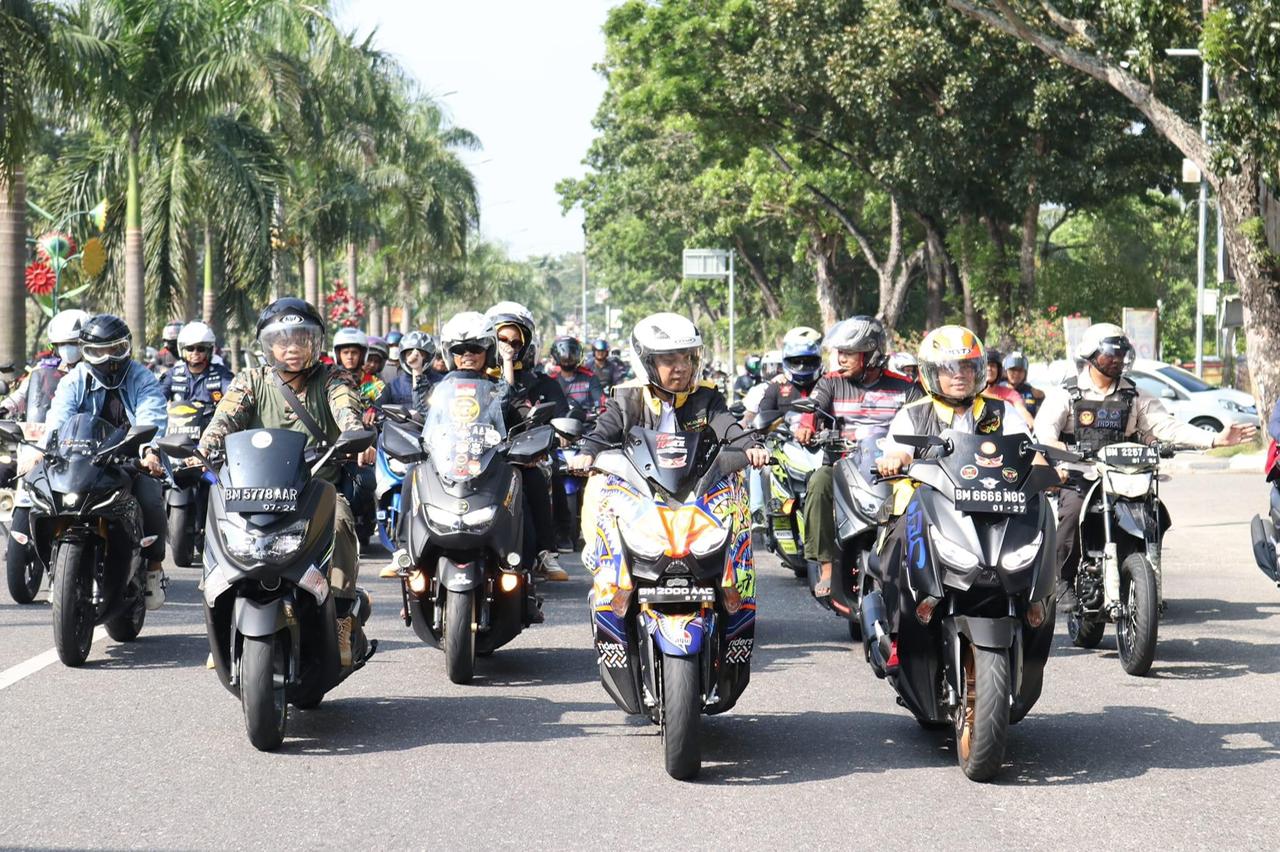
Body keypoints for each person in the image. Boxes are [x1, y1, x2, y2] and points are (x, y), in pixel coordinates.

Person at [198, 298, 374, 664]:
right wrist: (202, 448)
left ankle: (341, 617)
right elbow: (224, 418)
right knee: (216, 520)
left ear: (315, 342)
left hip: (314, 491)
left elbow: (346, 409)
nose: (292, 348)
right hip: (252, 493)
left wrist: (355, 434)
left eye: (300, 339)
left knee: (340, 521)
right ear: (268, 345)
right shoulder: (251, 380)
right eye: (283, 340)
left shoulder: (333, 378)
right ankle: (221, 618)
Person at [1033, 322, 1256, 609]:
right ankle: (1062, 581)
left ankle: (1147, 579)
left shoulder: (1134, 395)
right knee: (1073, 511)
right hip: (1082, 473)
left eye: (1121, 354)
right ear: (1090, 356)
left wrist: (1215, 440)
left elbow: (1167, 426)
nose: (1116, 360)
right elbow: (1044, 432)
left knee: (1154, 513)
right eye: (1109, 355)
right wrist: (1059, 451)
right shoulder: (1067, 393)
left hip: (1125, 475)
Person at [568, 313, 769, 557]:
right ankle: (607, 573)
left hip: (697, 489)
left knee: (735, 482)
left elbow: (727, 424)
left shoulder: (707, 395)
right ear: (646, 363)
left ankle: (734, 582)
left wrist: (749, 445)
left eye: (688, 357)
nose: (682, 368)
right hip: (640, 492)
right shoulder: (625, 398)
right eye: (669, 360)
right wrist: (587, 454)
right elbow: (603, 431)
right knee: (598, 482)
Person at [32, 314, 169, 609]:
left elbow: (152, 414)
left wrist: (149, 451)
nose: (107, 358)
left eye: (115, 349)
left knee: (151, 498)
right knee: (39, 495)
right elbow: (58, 417)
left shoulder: (141, 377)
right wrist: (42, 450)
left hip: (129, 459)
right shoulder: (74, 380)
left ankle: (154, 570)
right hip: (81, 460)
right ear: (85, 352)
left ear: (127, 348)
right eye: (97, 351)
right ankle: (55, 571)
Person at [794, 316, 918, 598]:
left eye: (848, 353)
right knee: (818, 482)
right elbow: (812, 410)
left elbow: (925, 417)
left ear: (871, 354)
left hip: (894, 470)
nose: (841, 359)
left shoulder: (906, 387)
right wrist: (806, 427)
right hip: (843, 466)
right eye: (839, 353)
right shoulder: (830, 383)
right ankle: (825, 565)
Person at [486, 301, 572, 577]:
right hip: (478, 456)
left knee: (541, 475)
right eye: (501, 339)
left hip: (523, 458)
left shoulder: (541, 383)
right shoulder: (475, 378)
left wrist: (558, 434)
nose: (508, 345)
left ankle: (546, 551)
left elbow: (559, 417)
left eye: (514, 340)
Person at [0, 309, 89, 422]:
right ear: (54, 347)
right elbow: (23, 394)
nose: (66, 348)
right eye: (61, 344)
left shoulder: (96, 371)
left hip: (85, 433)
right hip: (47, 431)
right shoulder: (44, 369)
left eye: (72, 343)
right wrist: (4, 408)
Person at [159, 321, 234, 405]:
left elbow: (231, 395)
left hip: (212, 418)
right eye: (190, 348)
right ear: (182, 350)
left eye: (201, 348)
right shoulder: (171, 375)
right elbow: (157, 399)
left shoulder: (222, 374)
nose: (195, 353)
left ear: (209, 351)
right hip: (177, 417)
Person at [548, 336, 605, 414]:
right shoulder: (551, 382)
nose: (567, 358)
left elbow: (601, 403)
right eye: (563, 356)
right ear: (555, 356)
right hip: (558, 424)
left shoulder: (590, 378)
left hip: (586, 423)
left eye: (571, 355)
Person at [982, 349, 1036, 426]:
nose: (989, 369)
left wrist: (1030, 421)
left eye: (993, 366)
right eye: (985, 365)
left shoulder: (1011, 393)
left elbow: (1021, 410)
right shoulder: (970, 394)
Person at [1002, 351, 1044, 417]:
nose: (1016, 373)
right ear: (1005, 371)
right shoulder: (997, 389)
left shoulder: (1032, 392)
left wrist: (1041, 398)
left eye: (1020, 370)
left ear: (1025, 373)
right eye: (1012, 369)